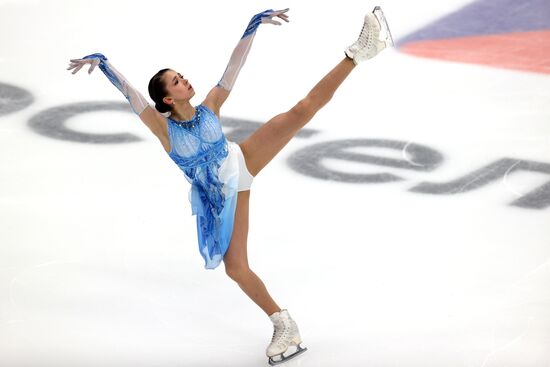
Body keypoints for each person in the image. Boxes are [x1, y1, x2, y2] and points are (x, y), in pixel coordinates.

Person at [67, 6, 393, 365]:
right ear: (167, 100)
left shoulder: (210, 105)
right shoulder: (165, 130)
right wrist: (105, 65)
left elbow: (232, 69)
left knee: (301, 111)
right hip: (222, 198)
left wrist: (251, 28)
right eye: (176, 82)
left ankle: (359, 52)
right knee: (236, 268)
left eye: (182, 75)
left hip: (242, 160)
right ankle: (284, 322)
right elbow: (135, 100)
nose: (184, 80)